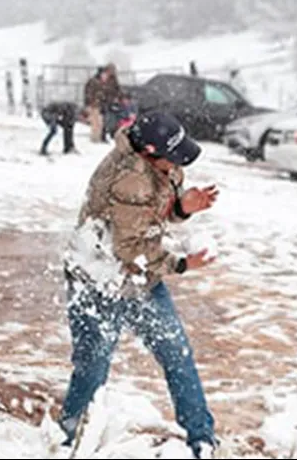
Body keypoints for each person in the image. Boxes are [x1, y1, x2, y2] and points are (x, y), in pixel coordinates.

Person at [58, 111, 220, 459]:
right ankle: (67, 440)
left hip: (140, 276)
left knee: (177, 354)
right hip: (97, 280)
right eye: (171, 157)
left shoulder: (161, 163)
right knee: (93, 369)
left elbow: (154, 212)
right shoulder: (129, 179)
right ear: (148, 151)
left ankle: (202, 441)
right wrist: (181, 264)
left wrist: (183, 207)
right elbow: (130, 248)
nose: (177, 164)